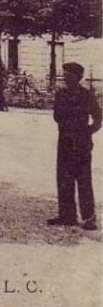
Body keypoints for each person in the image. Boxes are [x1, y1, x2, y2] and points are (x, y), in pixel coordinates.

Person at [48, 62, 102, 230]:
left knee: (84, 178)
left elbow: (99, 117)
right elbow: (56, 116)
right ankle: (67, 215)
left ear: (77, 77)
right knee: (64, 178)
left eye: (68, 75)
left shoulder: (87, 95)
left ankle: (89, 218)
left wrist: (88, 132)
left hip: (82, 143)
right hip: (65, 141)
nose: (65, 78)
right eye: (64, 75)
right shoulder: (61, 95)